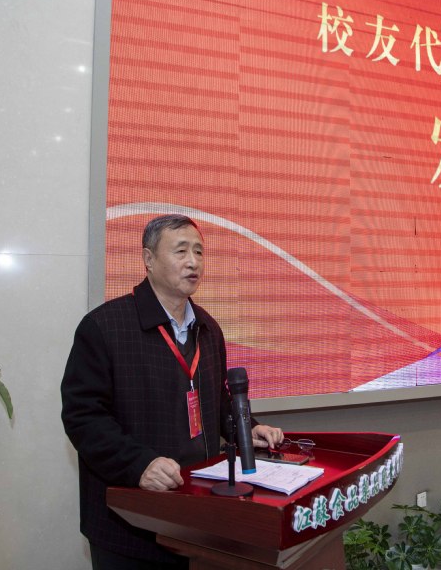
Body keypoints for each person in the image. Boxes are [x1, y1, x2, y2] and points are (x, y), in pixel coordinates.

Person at [61, 214, 283, 569]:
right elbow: (83, 418)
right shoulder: (104, 327)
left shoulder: (208, 328)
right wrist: (138, 464)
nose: (193, 262)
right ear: (148, 259)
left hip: (197, 513)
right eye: (181, 251)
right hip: (128, 523)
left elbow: (217, 401)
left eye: (199, 251)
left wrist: (246, 429)